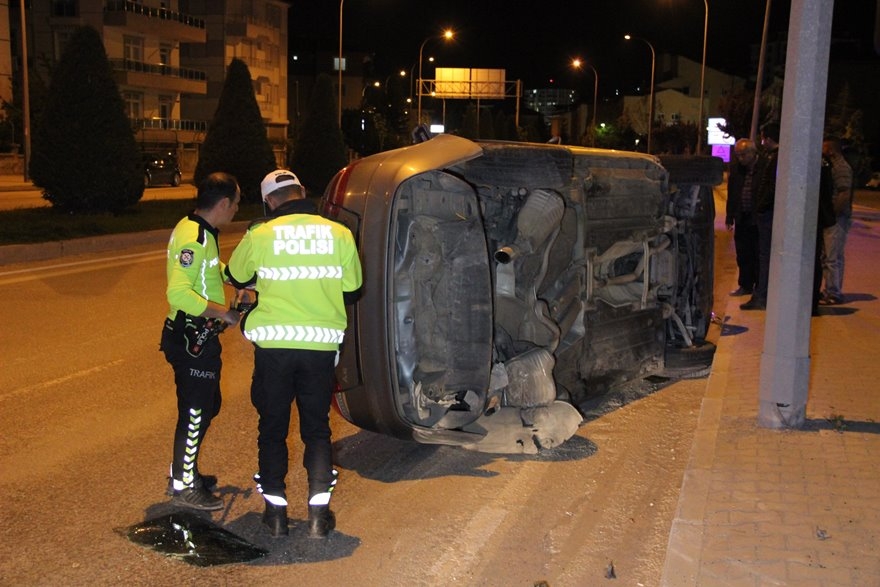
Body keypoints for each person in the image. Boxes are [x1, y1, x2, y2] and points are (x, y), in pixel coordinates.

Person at [226, 170, 363, 538]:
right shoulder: (339, 233)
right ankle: (319, 516)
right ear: (302, 191)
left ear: (269, 201)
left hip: (274, 349)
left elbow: (236, 275)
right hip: (319, 348)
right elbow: (353, 288)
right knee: (316, 429)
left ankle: (275, 515)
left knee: (272, 429)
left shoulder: (260, 233)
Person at [160, 172, 241, 511]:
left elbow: (208, 268)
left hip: (198, 335)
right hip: (191, 337)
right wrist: (225, 313)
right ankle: (183, 483)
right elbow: (179, 293)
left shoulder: (200, 230)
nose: (236, 210)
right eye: (235, 204)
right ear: (223, 203)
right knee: (196, 411)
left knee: (207, 405)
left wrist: (235, 278)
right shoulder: (194, 237)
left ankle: (184, 469)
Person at [741, 123, 780, 311]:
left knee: (764, 256)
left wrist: (761, 207)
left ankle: (761, 296)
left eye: (763, 138)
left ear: (769, 139)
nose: (762, 142)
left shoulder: (774, 158)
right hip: (767, 214)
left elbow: (770, 188)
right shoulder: (773, 158)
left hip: (767, 215)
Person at [820, 137, 854, 305]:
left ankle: (833, 292)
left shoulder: (841, 168)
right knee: (829, 256)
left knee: (832, 257)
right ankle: (830, 290)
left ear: (831, 150)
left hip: (837, 218)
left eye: (824, 147)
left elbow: (844, 194)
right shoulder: (833, 166)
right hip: (834, 217)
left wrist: (833, 215)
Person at [726, 138, 760, 296]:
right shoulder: (737, 169)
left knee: (757, 253)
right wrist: (730, 216)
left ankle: (759, 286)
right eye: (738, 155)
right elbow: (732, 193)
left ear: (753, 153)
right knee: (743, 253)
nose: (740, 158)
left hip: (757, 218)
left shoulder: (762, 168)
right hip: (742, 217)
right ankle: (745, 285)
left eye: (743, 154)